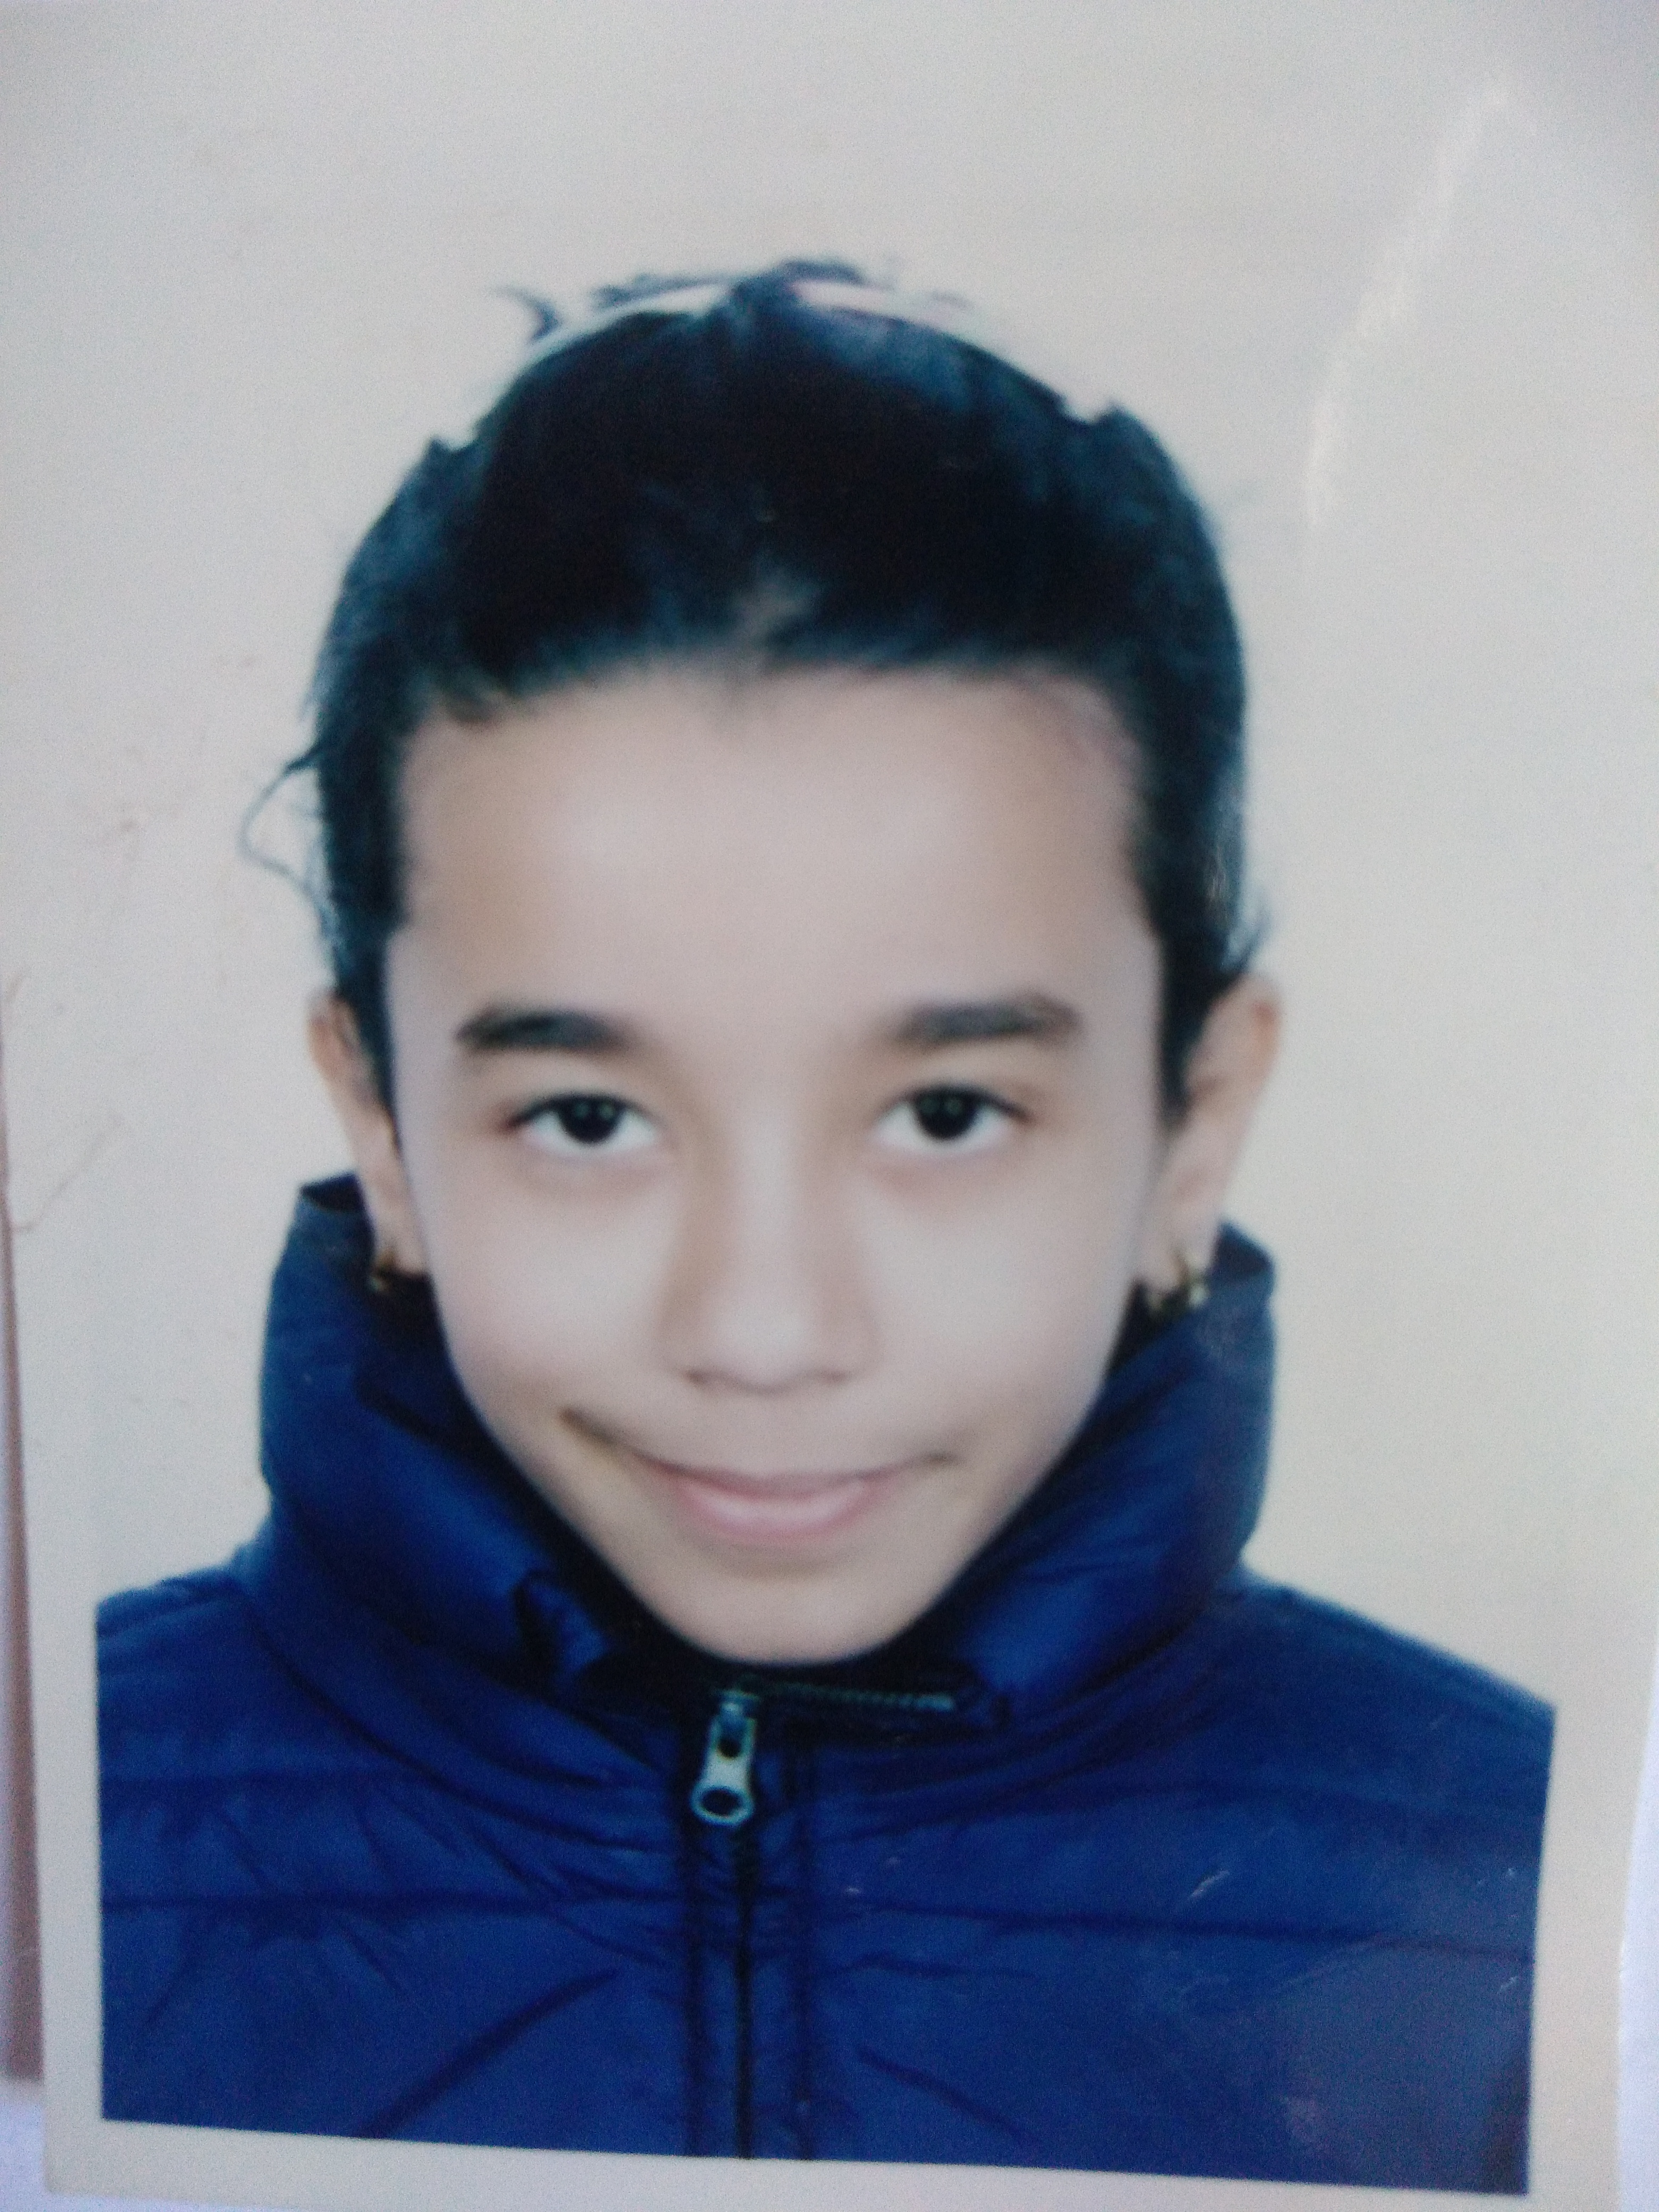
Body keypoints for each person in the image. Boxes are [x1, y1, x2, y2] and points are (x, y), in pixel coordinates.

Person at [97, 263, 1551, 2188]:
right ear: (380, 1119)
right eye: (590, 1119)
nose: (766, 1329)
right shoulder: (63, 1836)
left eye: (945, 1115)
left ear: (1193, 1125)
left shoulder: (1542, 1904)